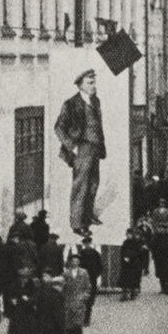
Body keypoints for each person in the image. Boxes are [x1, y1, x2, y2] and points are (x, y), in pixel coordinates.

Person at [54, 69, 107, 236]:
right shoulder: (70, 104)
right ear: (80, 85)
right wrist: (72, 146)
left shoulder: (95, 101)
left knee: (93, 184)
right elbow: (59, 128)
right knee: (80, 186)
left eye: (94, 82)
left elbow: (98, 125)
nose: (94, 86)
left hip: (95, 148)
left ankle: (88, 215)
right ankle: (77, 224)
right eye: (90, 83)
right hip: (82, 149)